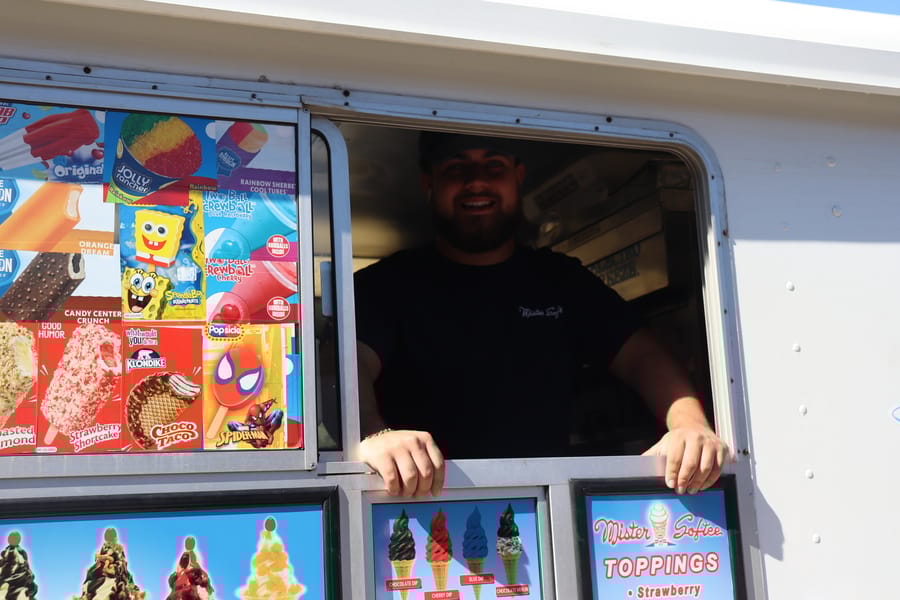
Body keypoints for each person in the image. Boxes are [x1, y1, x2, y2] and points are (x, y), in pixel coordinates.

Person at [354, 132, 731, 498]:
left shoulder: (561, 279)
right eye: (456, 168)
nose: (477, 181)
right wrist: (373, 435)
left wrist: (689, 426)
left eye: (494, 165)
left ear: (517, 176)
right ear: (428, 182)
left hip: (549, 508)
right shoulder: (385, 286)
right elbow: (348, 365)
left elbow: (642, 356)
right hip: (420, 508)